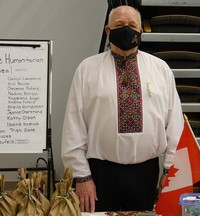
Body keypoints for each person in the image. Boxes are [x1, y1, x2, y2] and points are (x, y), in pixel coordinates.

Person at [61, 5, 184, 213]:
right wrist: (81, 176)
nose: (126, 29)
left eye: (131, 25)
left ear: (140, 32)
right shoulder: (87, 69)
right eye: (119, 25)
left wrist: (170, 171)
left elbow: (175, 125)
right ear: (108, 31)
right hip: (99, 173)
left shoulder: (160, 69)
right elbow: (74, 126)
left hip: (145, 173)